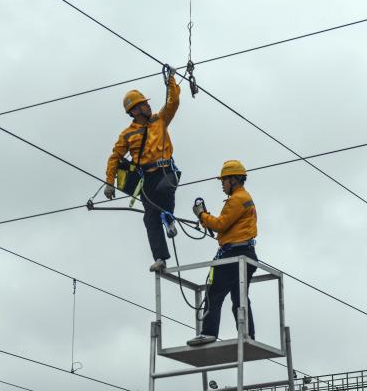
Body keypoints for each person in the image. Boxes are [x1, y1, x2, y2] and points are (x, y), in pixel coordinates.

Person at [105, 71, 181, 272]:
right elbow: (114, 157)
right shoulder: (127, 135)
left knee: (165, 191)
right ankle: (160, 258)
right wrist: (109, 183)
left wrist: (170, 81)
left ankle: (169, 217)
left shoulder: (160, 120)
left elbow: (173, 103)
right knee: (150, 218)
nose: (148, 106)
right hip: (146, 178)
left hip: (166, 171)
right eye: (144, 104)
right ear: (135, 110)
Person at [188, 160, 258, 347]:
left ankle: (208, 333)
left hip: (233, 255)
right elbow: (226, 225)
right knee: (240, 298)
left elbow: (220, 224)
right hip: (246, 254)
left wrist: (202, 215)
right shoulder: (244, 198)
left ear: (233, 180)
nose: (222, 184)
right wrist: (206, 219)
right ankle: (248, 335)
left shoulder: (237, 199)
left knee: (214, 291)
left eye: (224, 180)